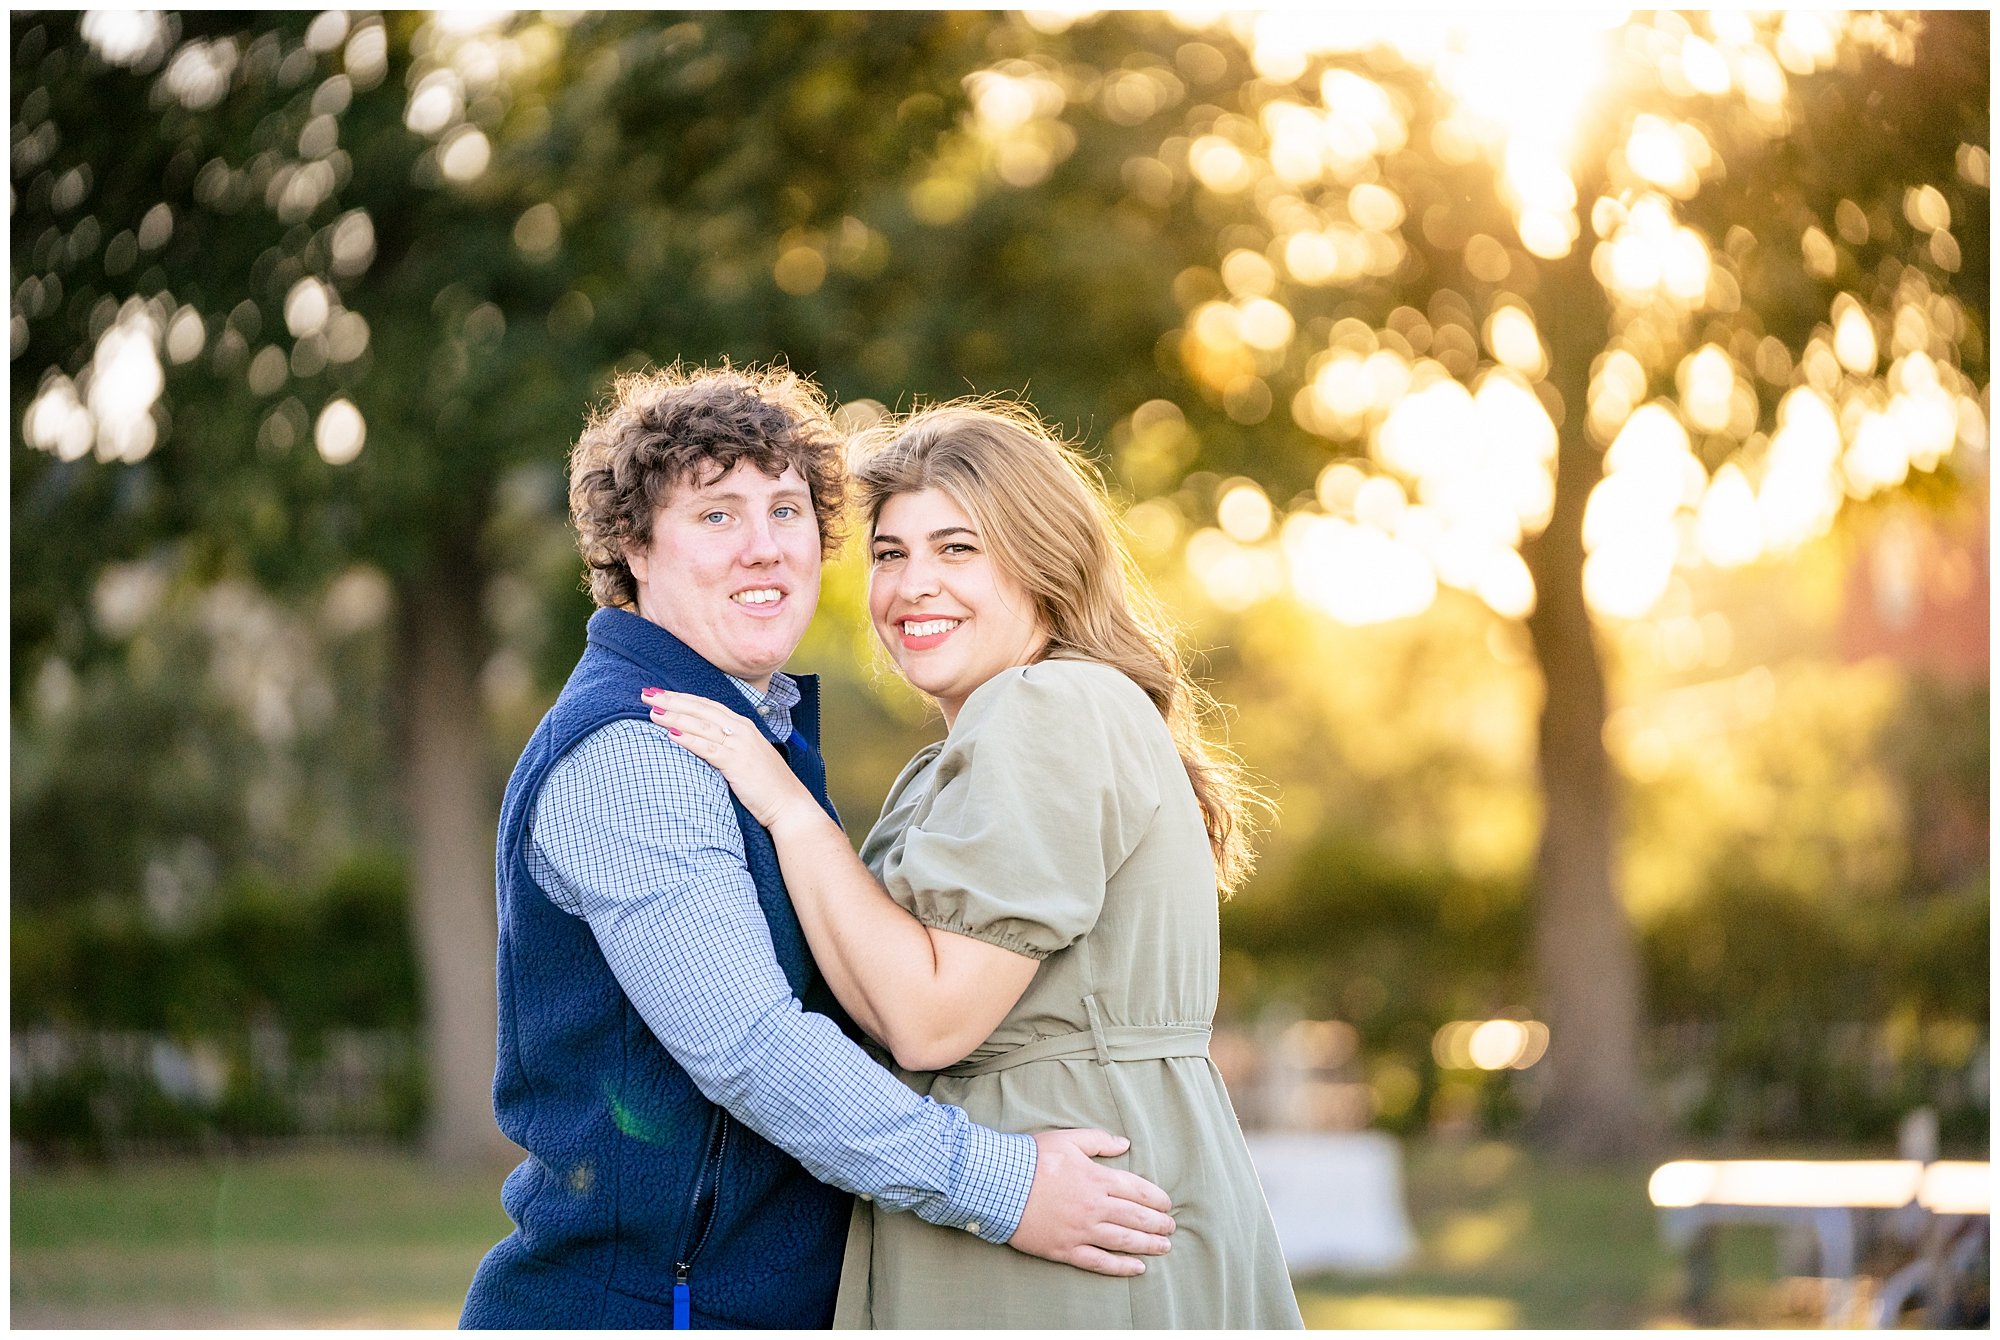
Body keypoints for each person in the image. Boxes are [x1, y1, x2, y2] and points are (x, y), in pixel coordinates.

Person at [460, 367, 1177, 1330]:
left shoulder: (757, 738)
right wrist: (1004, 1185)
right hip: (651, 1310)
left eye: (788, 511)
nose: (765, 549)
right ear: (633, 545)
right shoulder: (640, 754)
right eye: (717, 516)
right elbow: (752, 1050)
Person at [644, 399, 1304, 1328]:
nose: (915, 586)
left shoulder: (1049, 708)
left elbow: (927, 1019)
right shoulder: (977, 746)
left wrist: (788, 806)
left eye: (958, 549)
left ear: (1043, 562)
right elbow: (882, 995)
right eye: (890, 554)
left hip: (1070, 1233)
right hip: (1043, 1213)